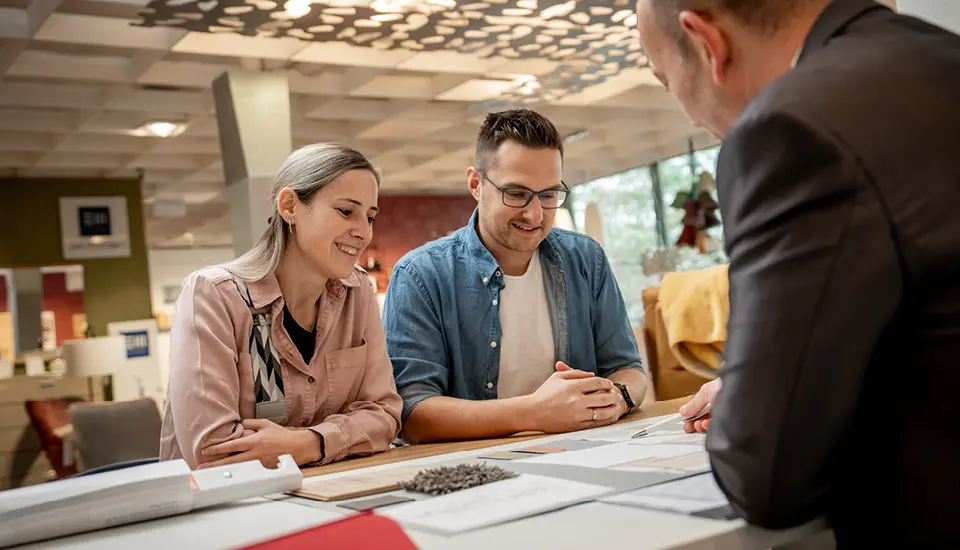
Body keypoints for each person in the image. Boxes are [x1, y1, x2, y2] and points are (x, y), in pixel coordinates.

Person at [635, 0, 960, 545]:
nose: (690, 116)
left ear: (706, 44)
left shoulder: (791, 128)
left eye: (667, 81)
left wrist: (753, 396)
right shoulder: (939, 60)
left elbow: (767, 475)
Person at [381, 109, 648, 444]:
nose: (535, 214)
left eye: (549, 194)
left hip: (581, 450)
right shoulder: (419, 275)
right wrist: (534, 413)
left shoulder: (586, 259)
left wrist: (618, 399)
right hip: (472, 468)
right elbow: (411, 412)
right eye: (517, 193)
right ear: (476, 184)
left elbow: (628, 370)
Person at [160, 143, 402, 470]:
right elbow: (213, 451)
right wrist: (344, 436)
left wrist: (309, 443)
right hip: (230, 509)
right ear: (290, 206)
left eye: (369, 217)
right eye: (347, 211)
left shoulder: (358, 294)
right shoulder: (214, 296)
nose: (363, 232)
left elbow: (384, 415)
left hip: (331, 497)